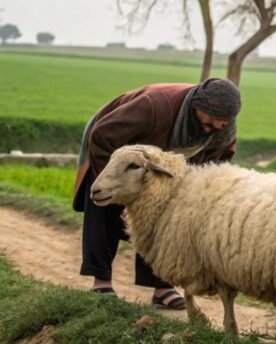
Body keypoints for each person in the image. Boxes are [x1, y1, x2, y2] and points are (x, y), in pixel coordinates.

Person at [73, 78, 241, 309]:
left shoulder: (222, 128)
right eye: (212, 119)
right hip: (112, 148)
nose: (218, 125)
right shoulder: (153, 107)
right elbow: (103, 136)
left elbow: (216, 162)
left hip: (163, 164)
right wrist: (115, 181)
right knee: (105, 207)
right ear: (196, 107)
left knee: (165, 221)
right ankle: (101, 281)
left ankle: (162, 287)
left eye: (224, 122)